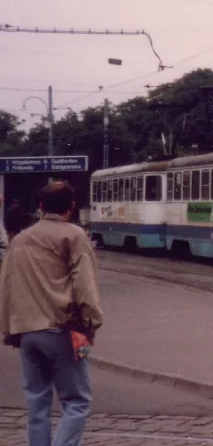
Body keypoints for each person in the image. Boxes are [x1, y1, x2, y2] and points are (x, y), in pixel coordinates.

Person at [0, 180, 103, 446]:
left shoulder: (20, 239)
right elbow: (84, 283)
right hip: (62, 328)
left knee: (37, 402)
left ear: (41, 206)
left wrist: (9, 329)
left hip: (26, 332)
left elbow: (7, 286)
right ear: (71, 207)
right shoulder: (74, 235)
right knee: (77, 401)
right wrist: (90, 322)